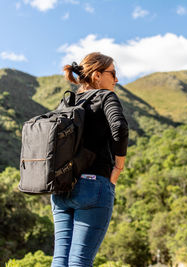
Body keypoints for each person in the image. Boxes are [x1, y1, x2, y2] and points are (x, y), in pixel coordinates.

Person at [50, 52, 129, 267]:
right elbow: (120, 127)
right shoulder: (105, 97)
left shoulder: (66, 102)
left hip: (62, 189)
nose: (117, 79)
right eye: (113, 73)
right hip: (94, 186)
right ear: (97, 75)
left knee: (61, 260)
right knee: (80, 261)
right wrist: (119, 167)